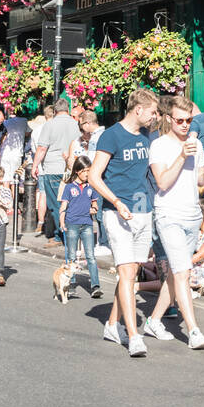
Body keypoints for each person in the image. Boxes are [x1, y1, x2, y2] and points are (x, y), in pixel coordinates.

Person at [88, 88, 159, 357]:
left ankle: (110, 325)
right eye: (152, 111)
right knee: (127, 273)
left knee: (129, 275)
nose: (155, 116)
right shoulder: (111, 135)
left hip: (143, 211)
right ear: (138, 110)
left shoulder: (148, 136)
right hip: (117, 213)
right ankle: (133, 336)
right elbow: (95, 176)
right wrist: (116, 202)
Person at [139, 96, 204, 349]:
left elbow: (200, 181)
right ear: (169, 119)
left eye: (189, 120)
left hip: (192, 215)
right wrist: (182, 156)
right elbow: (162, 182)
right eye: (180, 120)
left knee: (174, 275)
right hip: (168, 214)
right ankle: (193, 331)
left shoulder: (197, 145)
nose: (185, 125)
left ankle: (154, 320)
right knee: (182, 272)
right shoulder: (159, 146)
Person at [33, 98, 81, 247]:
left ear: (54, 111)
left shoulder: (50, 124)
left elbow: (42, 148)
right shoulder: (75, 124)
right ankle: (72, 233)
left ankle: (62, 235)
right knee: (71, 202)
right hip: (70, 168)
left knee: (56, 203)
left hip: (52, 169)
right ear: (68, 109)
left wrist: (35, 165)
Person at [56, 155, 99, 301]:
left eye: (89, 170)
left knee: (91, 256)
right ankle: (71, 283)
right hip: (72, 223)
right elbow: (63, 206)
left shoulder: (91, 187)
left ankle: (95, 286)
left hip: (87, 223)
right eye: (85, 171)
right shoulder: (69, 187)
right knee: (71, 256)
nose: (87, 173)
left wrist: (94, 208)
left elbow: (95, 204)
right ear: (78, 171)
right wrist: (62, 222)